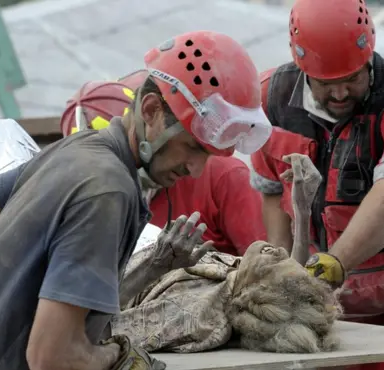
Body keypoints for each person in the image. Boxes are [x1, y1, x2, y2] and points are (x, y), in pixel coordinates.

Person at [0, 30, 272, 370]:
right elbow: (52, 357)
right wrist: (116, 357)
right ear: (151, 110)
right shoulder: (107, 190)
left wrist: (153, 269)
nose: (196, 170)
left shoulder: (74, 151)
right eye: (193, 147)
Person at [249, 0, 384, 369]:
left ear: (368, 57)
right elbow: (272, 191)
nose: (339, 94)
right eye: (326, 84)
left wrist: (333, 265)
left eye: (352, 80)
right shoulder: (271, 99)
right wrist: (280, 274)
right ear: (302, 66)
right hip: (329, 301)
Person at [58, 70, 267, 255]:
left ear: (146, 119)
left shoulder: (224, 178)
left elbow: (268, 271)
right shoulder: (98, 202)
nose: (195, 169)